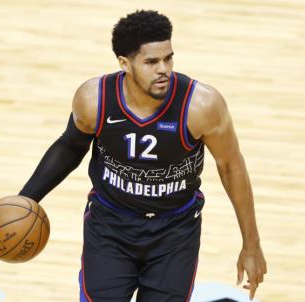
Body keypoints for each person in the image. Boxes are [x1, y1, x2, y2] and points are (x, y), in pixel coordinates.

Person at [18, 10, 266, 302]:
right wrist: (25, 199)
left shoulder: (201, 105)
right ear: (125, 63)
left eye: (168, 58)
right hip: (110, 227)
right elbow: (70, 146)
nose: (164, 69)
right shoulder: (94, 100)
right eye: (151, 62)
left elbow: (231, 165)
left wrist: (251, 244)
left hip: (174, 231)